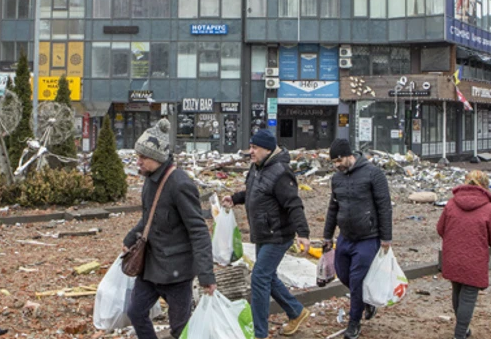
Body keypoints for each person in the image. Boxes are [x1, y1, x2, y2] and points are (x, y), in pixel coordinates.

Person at [123, 118, 216, 339]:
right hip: (150, 267)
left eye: (143, 157)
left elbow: (199, 231)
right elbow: (148, 218)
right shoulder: (149, 179)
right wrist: (129, 240)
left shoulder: (180, 184)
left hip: (177, 273)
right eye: (138, 156)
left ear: (157, 158)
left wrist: (206, 275)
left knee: (180, 329)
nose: (138, 162)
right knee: (135, 312)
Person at [222, 129, 311, 338]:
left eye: (255, 148)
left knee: (259, 278)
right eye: (250, 147)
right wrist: (235, 198)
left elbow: (294, 204)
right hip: (263, 232)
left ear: (268, 149)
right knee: (267, 277)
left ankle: (259, 333)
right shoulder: (256, 168)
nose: (250, 151)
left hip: (278, 234)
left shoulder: (281, 172)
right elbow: (253, 193)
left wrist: (303, 233)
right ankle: (296, 312)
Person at [321, 139, 392, 339]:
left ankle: (354, 323)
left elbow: (384, 206)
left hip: (368, 237)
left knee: (356, 278)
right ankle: (366, 302)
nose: (336, 165)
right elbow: (333, 207)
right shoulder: (337, 179)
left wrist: (386, 237)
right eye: (334, 162)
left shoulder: (373, 174)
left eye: (338, 160)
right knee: (343, 274)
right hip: (346, 236)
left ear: (348, 155)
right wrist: (327, 235)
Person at [437, 170, 491, 339]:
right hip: (474, 260)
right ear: (485, 185)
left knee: (457, 291)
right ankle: (459, 335)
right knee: (468, 297)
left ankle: (463, 331)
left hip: (452, 256)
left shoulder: (451, 204)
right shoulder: (489, 209)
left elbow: (440, 229)